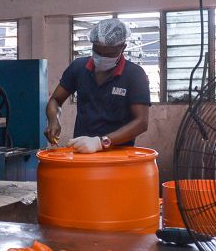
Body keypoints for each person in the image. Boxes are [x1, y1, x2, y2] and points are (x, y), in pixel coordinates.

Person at [44, 18, 150, 153]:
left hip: (119, 155)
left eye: (109, 54)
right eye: (98, 52)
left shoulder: (134, 74)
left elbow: (141, 122)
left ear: (123, 47)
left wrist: (102, 141)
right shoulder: (78, 68)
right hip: (82, 151)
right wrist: (53, 120)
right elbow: (56, 100)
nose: (102, 57)